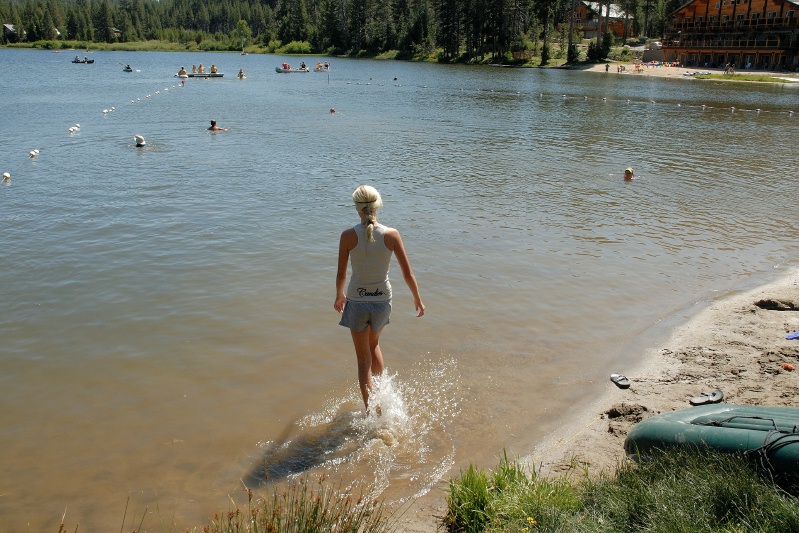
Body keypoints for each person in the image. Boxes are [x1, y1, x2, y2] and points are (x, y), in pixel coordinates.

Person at [334, 185, 425, 411]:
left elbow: (341, 274)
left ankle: (370, 413)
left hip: (356, 301)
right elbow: (407, 273)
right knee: (374, 343)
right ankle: (383, 399)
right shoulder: (391, 235)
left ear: (357, 208)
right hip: (383, 301)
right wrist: (417, 299)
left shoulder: (347, 236)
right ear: (377, 205)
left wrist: (339, 296)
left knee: (363, 360)